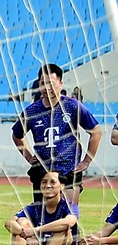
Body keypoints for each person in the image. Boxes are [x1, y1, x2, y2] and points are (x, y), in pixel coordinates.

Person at [12, 63, 101, 207]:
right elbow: (17, 135)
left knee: (68, 218)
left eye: (51, 83)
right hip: (42, 171)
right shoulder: (32, 111)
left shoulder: (72, 106)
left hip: (68, 169)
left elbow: (96, 132)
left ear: (60, 83)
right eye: (42, 83)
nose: (47, 88)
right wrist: (28, 156)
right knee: (42, 219)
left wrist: (86, 161)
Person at [6, 170, 80, 245]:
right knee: (21, 221)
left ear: (62, 186)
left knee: (63, 228)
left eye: (53, 182)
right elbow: (9, 223)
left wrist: (35, 231)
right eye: (44, 182)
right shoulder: (34, 207)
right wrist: (26, 234)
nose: (48, 185)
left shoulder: (69, 206)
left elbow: (68, 222)